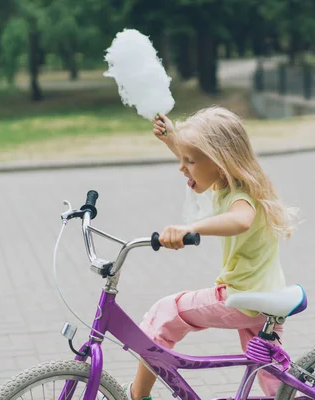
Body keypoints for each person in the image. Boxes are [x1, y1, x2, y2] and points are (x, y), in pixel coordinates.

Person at [126, 106, 296, 400]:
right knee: (273, 379)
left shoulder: (241, 197)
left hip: (244, 296)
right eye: (183, 159)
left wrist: (191, 228)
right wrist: (173, 140)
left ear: (220, 162)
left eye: (189, 161)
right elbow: (199, 158)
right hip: (264, 294)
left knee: (167, 312)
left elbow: (240, 220)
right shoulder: (226, 182)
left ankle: (137, 396)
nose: (182, 167)